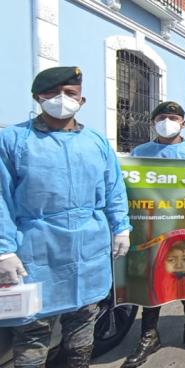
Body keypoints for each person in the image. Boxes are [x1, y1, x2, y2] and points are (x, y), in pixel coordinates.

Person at [0, 66, 132, 367]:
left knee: (83, 326)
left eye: (70, 93)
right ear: (37, 97)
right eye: (52, 93)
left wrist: (120, 226)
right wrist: (4, 249)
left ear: (81, 100)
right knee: (32, 333)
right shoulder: (14, 140)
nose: (61, 98)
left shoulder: (96, 142)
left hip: (89, 251)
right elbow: (1, 197)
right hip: (35, 252)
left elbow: (114, 188)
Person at [123, 102, 185, 367]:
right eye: (162, 117)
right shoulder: (141, 152)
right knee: (153, 277)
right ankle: (149, 334)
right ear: (153, 123)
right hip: (153, 227)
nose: (167, 122)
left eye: (173, 118)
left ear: (183, 123)